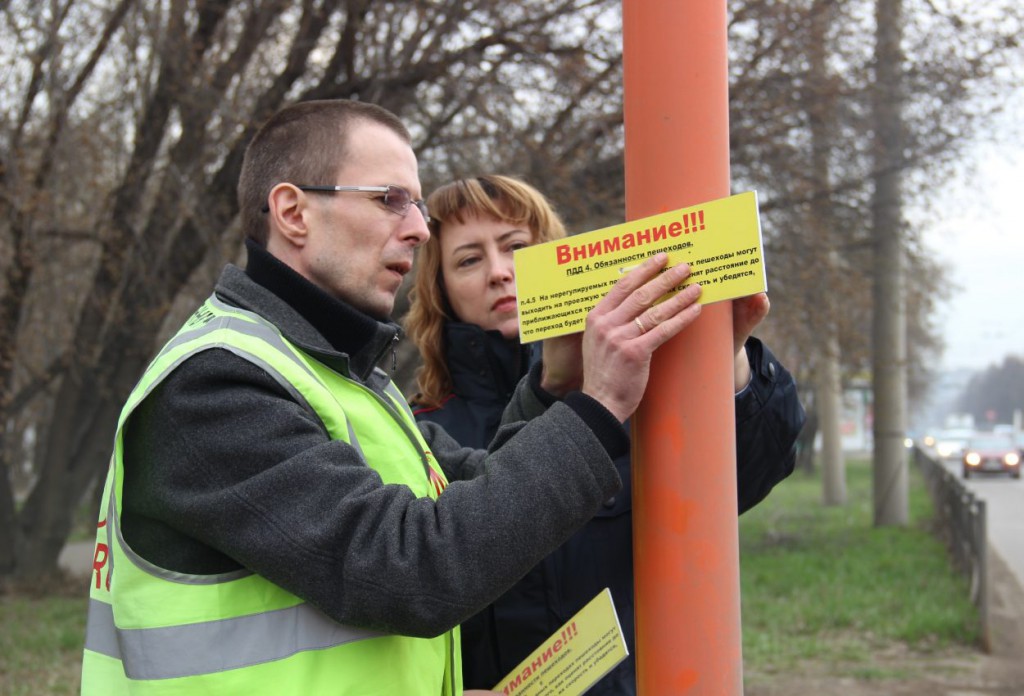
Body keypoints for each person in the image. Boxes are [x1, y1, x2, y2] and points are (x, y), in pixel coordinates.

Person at [78, 100, 713, 695]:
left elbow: (479, 492)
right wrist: (598, 403)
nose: (418, 230)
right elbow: (412, 571)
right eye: (390, 200)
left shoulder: (343, 378)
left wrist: (555, 386)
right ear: (293, 212)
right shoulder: (215, 386)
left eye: (416, 206)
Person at [404, 175, 806, 694]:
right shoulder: (420, 432)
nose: (500, 273)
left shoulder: (631, 393)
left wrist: (720, 355)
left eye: (516, 249)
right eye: (469, 260)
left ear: (556, 259)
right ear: (439, 291)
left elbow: (748, 477)